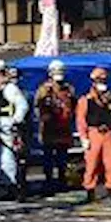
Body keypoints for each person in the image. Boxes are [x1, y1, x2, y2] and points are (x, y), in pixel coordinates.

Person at [77, 67, 111, 203]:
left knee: (110, 163)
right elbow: (81, 119)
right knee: (92, 164)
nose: (102, 83)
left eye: (104, 80)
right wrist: (83, 137)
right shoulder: (86, 99)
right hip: (93, 133)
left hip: (108, 133)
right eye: (99, 80)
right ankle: (89, 190)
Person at [0, 59, 29, 202]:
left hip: (8, 129)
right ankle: (5, 184)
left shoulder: (10, 89)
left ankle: (11, 187)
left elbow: (22, 105)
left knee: (8, 159)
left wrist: (15, 122)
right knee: (1, 158)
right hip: (0, 128)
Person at [35, 60, 77, 193]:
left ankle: (62, 180)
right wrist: (43, 119)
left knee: (62, 158)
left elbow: (74, 106)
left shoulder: (69, 89)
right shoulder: (43, 89)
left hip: (64, 128)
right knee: (48, 157)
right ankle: (48, 182)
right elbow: (38, 107)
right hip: (49, 128)